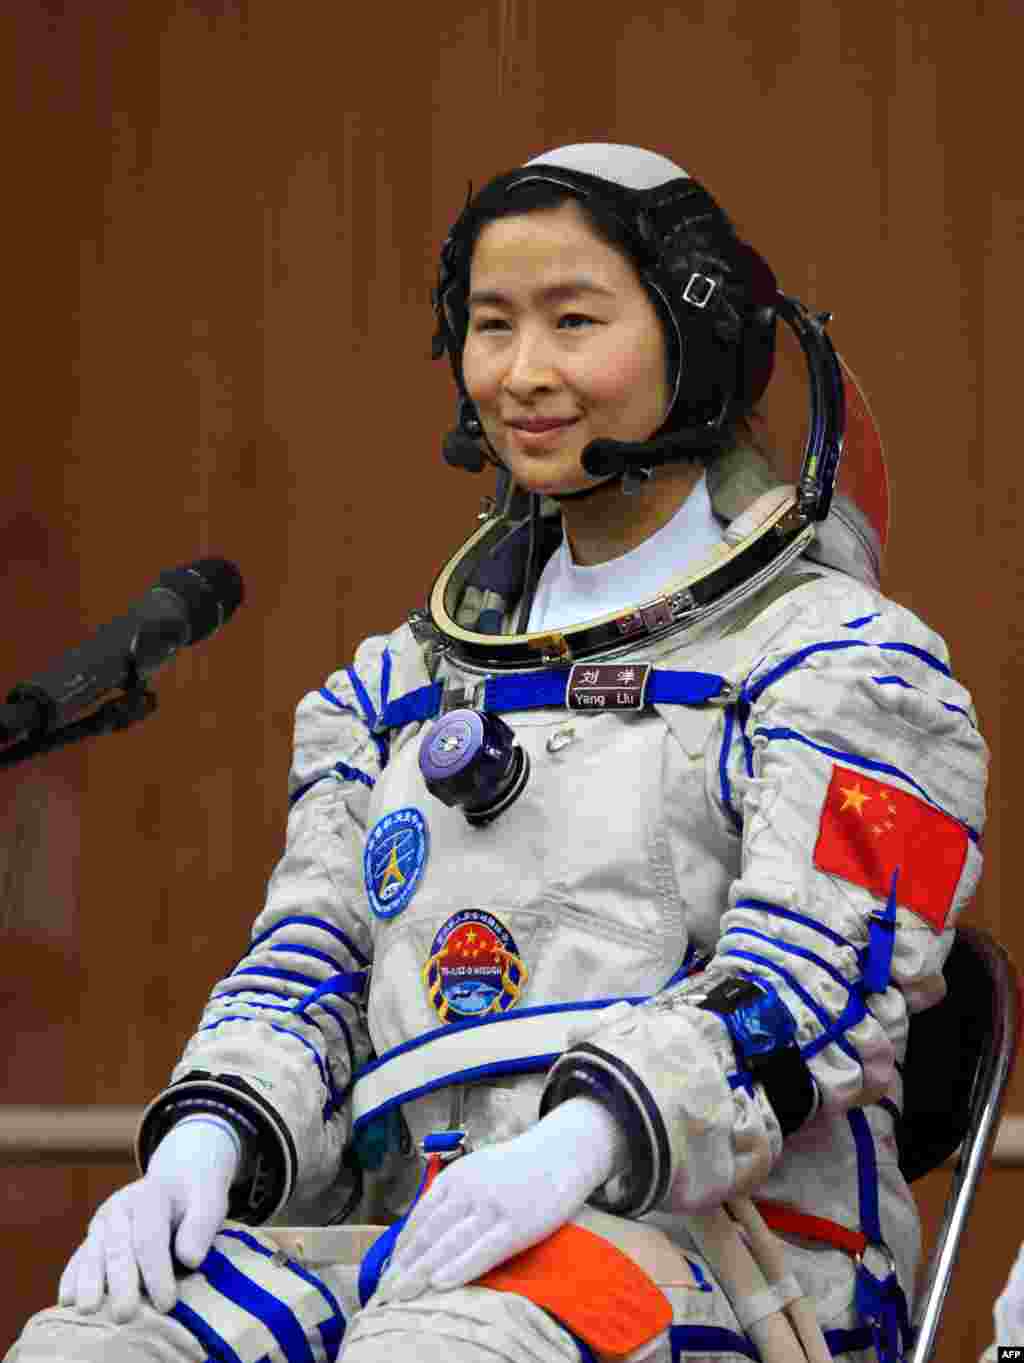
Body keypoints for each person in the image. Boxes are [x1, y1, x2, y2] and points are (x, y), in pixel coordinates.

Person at [6, 143, 988, 1363]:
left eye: (575, 321)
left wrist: (581, 1140)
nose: (524, 373)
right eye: (490, 326)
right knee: (103, 1340)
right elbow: (308, 971)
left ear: (699, 341)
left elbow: (813, 986)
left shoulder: (844, 661)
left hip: (743, 1261)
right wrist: (208, 1143)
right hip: (420, 1238)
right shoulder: (391, 692)